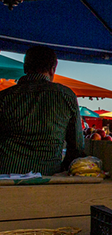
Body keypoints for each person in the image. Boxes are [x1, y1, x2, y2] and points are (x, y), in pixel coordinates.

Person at [0, 46, 85, 175]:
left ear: (25, 68)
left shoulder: (4, 97)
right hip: (48, 175)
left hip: (7, 175)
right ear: (53, 69)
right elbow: (77, 146)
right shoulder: (66, 96)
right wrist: (64, 168)